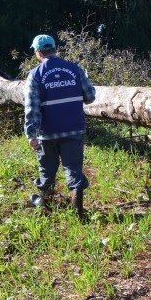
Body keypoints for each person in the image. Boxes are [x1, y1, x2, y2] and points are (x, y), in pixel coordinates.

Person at [24, 34, 96, 218]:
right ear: (55, 48)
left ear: (37, 52)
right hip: (74, 128)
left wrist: (31, 134)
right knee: (73, 169)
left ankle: (44, 206)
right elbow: (90, 97)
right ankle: (78, 212)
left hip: (47, 133)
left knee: (47, 170)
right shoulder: (74, 69)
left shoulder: (35, 75)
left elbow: (32, 108)